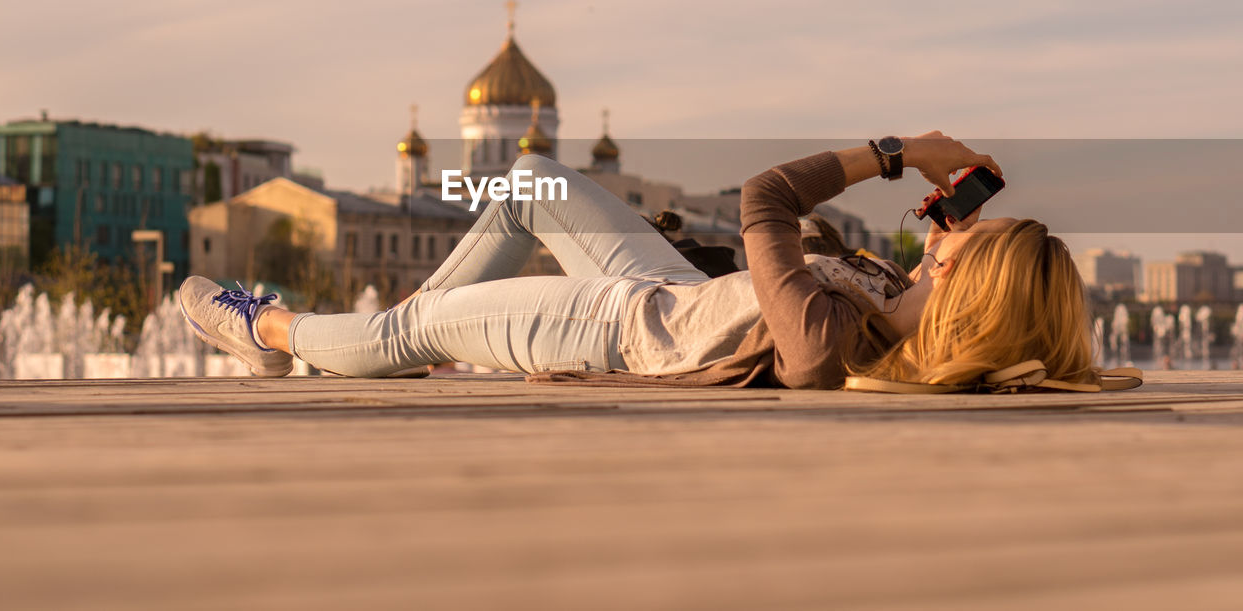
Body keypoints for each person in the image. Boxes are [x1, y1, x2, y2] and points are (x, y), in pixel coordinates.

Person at [179, 132, 1098, 389]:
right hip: (669, 288)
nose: (945, 222)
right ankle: (395, 336)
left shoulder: (827, 340)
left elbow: (764, 198)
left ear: (959, 280)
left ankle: (268, 325)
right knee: (533, 180)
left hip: (603, 327)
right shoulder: (890, 304)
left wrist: (899, 150)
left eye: (963, 231)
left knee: (409, 324)